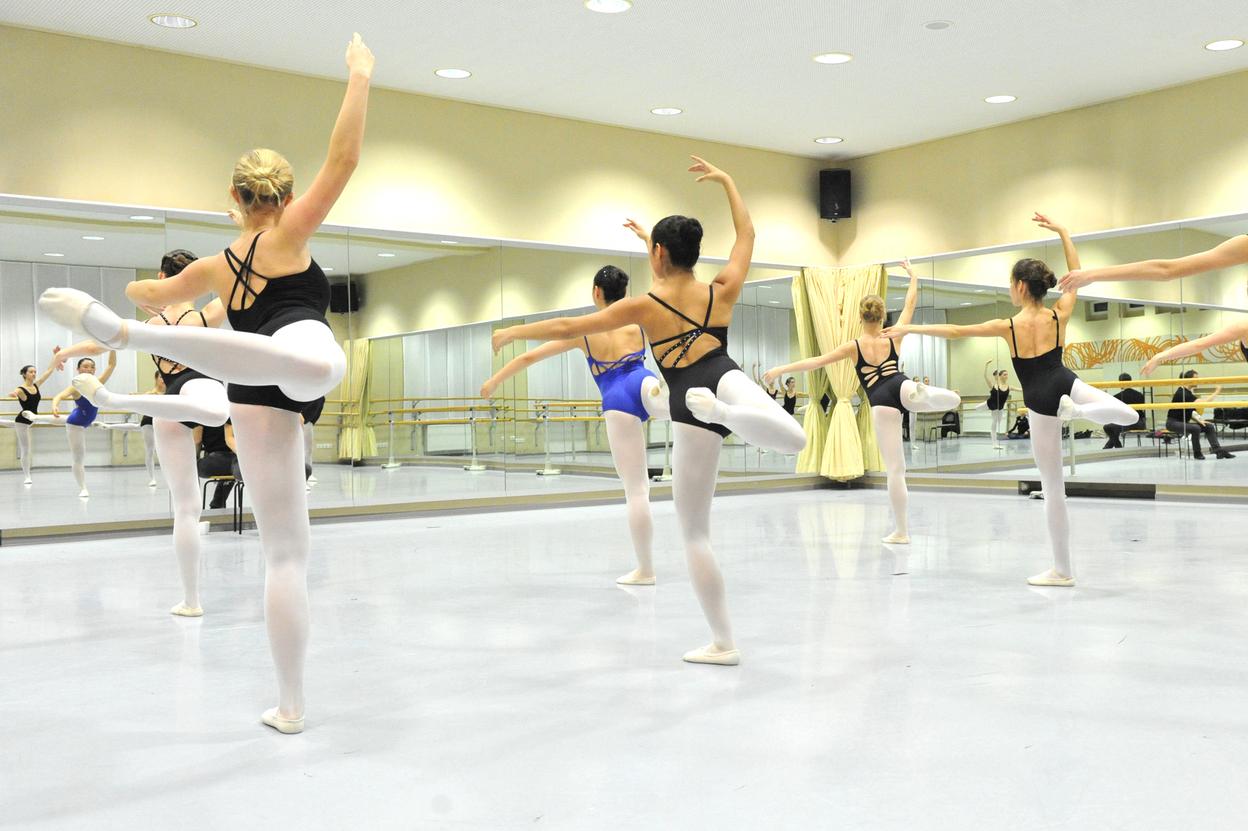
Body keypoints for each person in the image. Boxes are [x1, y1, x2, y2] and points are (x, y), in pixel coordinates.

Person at [38, 32, 373, 734]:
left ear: (235, 197)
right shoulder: (290, 235)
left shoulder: (219, 265)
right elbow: (343, 158)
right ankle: (136, 341)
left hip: (252, 396)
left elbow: (144, 287)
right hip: (291, 362)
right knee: (317, 357)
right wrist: (359, 75)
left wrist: (181, 281)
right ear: (283, 198)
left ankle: (291, 706)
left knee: (283, 554)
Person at [492, 156, 805, 666]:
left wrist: (512, 333)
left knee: (695, 533)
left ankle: (723, 643)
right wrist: (727, 182)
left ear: (657, 254)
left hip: (686, 402)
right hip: (724, 377)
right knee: (796, 440)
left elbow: (568, 328)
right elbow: (747, 232)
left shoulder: (642, 306)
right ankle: (728, 415)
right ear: (693, 253)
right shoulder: (721, 290)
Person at [883, 214, 1138, 587]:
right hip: (1065, 383)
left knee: (1054, 490)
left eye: (1010, 284)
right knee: (1128, 415)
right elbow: (1076, 273)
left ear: (1020, 286)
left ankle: (1062, 571)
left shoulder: (1008, 326)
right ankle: (1079, 411)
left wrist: (909, 327)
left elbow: (955, 331)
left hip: (1037, 401)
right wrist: (1065, 233)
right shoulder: (1059, 314)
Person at [61, 249, 232, 615]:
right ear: (195, 280)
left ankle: (192, 601)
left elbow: (98, 343)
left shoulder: (150, 327)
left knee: (186, 509)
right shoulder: (205, 314)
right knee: (217, 412)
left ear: (160, 277)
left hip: (167, 403)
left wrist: (64, 354)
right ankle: (190, 601)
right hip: (196, 388)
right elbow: (242, 287)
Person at [482, 265, 670, 586]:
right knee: (668, 401)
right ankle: (688, 402)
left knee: (637, 491)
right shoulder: (637, 324)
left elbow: (530, 358)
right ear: (624, 294)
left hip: (617, 400)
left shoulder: (585, 331)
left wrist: (495, 380)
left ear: (597, 292)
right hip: (642, 380)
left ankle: (646, 570)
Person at [765, 258, 960, 544]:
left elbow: (817, 361)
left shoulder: (854, 346)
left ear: (860, 318)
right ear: (882, 317)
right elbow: (909, 305)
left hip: (880, 398)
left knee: (896, 470)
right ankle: (941, 396)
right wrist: (913, 277)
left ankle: (901, 531)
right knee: (935, 396)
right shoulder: (893, 336)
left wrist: (781, 370)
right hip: (900, 383)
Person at [49, 353, 116, 498]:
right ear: (78, 370)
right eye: (85, 367)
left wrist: (112, 348)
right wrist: (55, 406)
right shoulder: (76, 387)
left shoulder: (98, 383)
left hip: (84, 419)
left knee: (64, 420)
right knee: (78, 458)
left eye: (92, 367)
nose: (89, 369)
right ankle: (83, 488)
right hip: (76, 424)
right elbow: (58, 396)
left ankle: (36, 417)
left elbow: (111, 365)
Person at [8, 360, 59, 485]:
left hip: (31, 419)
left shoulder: (36, 385)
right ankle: (27, 476)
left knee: (11, 425)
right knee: (26, 449)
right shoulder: (21, 389)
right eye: (31, 372)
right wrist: (14, 394)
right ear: (25, 374)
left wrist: (56, 358)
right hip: (23, 420)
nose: (34, 374)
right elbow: (16, 391)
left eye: (35, 372)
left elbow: (48, 372)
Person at [1160, 370, 1231, 460]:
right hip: (1173, 423)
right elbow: (1202, 403)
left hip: (1182, 422)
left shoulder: (1188, 393)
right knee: (1195, 428)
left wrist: (1200, 420)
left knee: (1209, 426)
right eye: (1196, 379)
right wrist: (1217, 391)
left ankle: (1218, 451)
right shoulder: (1182, 393)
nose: (1198, 381)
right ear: (1188, 380)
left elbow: (1191, 411)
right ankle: (1197, 453)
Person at [198, 420, 239, 509]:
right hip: (235, 457)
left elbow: (197, 441)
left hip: (213, 460)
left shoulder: (202, 411)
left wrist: (194, 462)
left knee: (229, 467)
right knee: (234, 467)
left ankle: (216, 503)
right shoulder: (230, 410)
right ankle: (217, 502)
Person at [1102, 373, 1146, 449]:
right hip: (1140, 423)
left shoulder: (1117, 397)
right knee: (1115, 428)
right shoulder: (1140, 395)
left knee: (1107, 427)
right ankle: (1115, 445)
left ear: (1120, 383)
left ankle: (1115, 445)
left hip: (1126, 423)